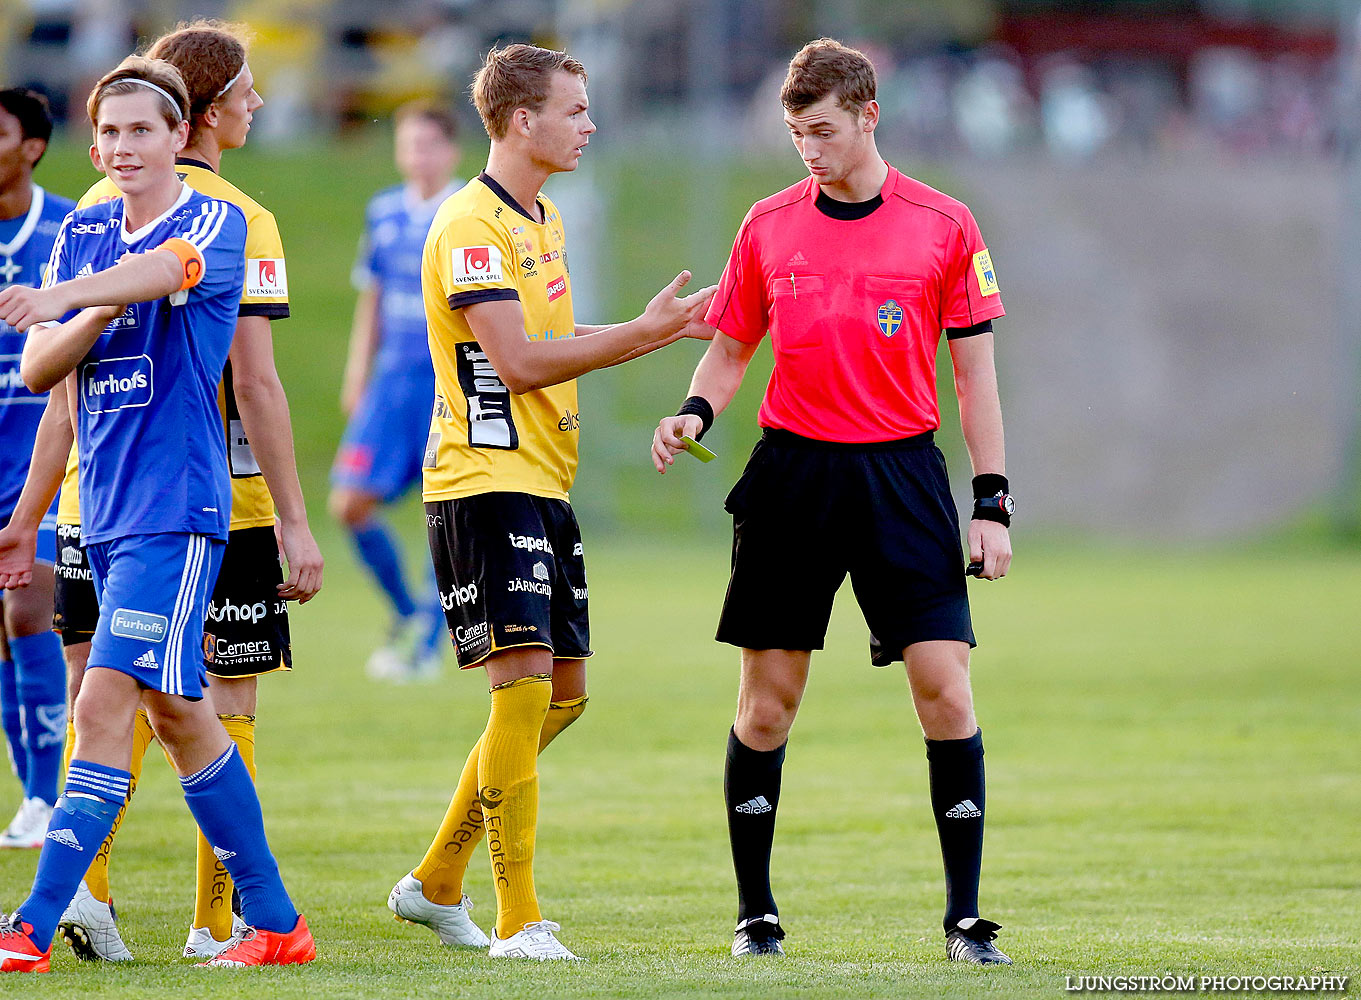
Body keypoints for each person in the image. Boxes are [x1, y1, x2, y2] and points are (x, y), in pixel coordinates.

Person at [651, 38, 1015, 965]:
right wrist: (693, 413)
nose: (806, 149)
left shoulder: (945, 224)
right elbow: (730, 349)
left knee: (945, 688)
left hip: (901, 480)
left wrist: (991, 503)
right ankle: (756, 917)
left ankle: (966, 920)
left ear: (867, 117)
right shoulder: (768, 224)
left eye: (821, 131)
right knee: (767, 706)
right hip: (793, 481)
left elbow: (974, 377)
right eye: (794, 133)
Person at [0, 21, 324, 963]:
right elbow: (41, 375)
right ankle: (277, 926)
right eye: (108, 134)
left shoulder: (215, 219)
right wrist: (90, 306)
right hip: (95, 514)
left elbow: (170, 271)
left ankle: (29, 927)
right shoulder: (86, 227)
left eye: (142, 131)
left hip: (174, 512)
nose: (121, 148)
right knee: (178, 716)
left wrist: (70, 298)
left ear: (179, 137)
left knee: (102, 703)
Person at [390, 43, 715, 961]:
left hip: (542, 482)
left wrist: (664, 329)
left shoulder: (544, 218)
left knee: (560, 697)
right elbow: (520, 363)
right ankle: (517, 920)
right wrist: (640, 340)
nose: (590, 123)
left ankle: (434, 881)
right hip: (482, 484)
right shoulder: (469, 226)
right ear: (521, 120)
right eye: (575, 109)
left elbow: (558, 335)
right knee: (524, 687)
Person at [331, 100, 461, 682]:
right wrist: (358, 374)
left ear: (452, 151)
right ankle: (410, 613)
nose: (418, 155)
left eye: (429, 144)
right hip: (391, 381)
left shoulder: (466, 211)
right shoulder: (383, 211)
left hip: (447, 380)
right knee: (349, 503)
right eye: (409, 143)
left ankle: (427, 641)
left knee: (449, 508)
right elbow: (373, 297)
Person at [0, 89, 73, 850]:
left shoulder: (64, 227)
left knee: (29, 611)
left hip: (42, 460)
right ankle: (30, 796)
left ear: (31, 148)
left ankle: (44, 796)